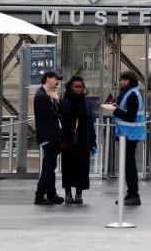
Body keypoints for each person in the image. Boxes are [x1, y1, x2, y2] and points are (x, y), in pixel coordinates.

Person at [102, 71, 145, 206]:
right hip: (128, 133)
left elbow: (130, 116)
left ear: (129, 81)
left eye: (124, 80)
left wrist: (113, 110)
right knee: (128, 164)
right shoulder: (129, 93)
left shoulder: (132, 94)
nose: (121, 82)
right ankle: (131, 194)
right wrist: (116, 106)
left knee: (129, 165)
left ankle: (133, 194)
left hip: (130, 133)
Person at [61, 76, 97, 205]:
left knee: (82, 167)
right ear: (71, 87)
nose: (78, 89)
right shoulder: (65, 101)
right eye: (76, 87)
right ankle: (68, 192)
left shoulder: (86, 103)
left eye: (80, 87)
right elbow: (63, 120)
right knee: (68, 166)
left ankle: (79, 191)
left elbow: (90, 123)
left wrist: (93, 142)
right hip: (69, 140)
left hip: (83, 140)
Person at [33, 71, 64, 205]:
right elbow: (56, 115)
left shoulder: (47, 95)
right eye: (56, 79)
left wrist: (56, 100)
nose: (58, 82)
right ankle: (41, 194)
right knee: (48, 166)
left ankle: (50, 193)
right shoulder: (42, 96)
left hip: (52, 135)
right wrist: (57, 100)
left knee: (49, 166)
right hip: (49, 135)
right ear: (48, 79)